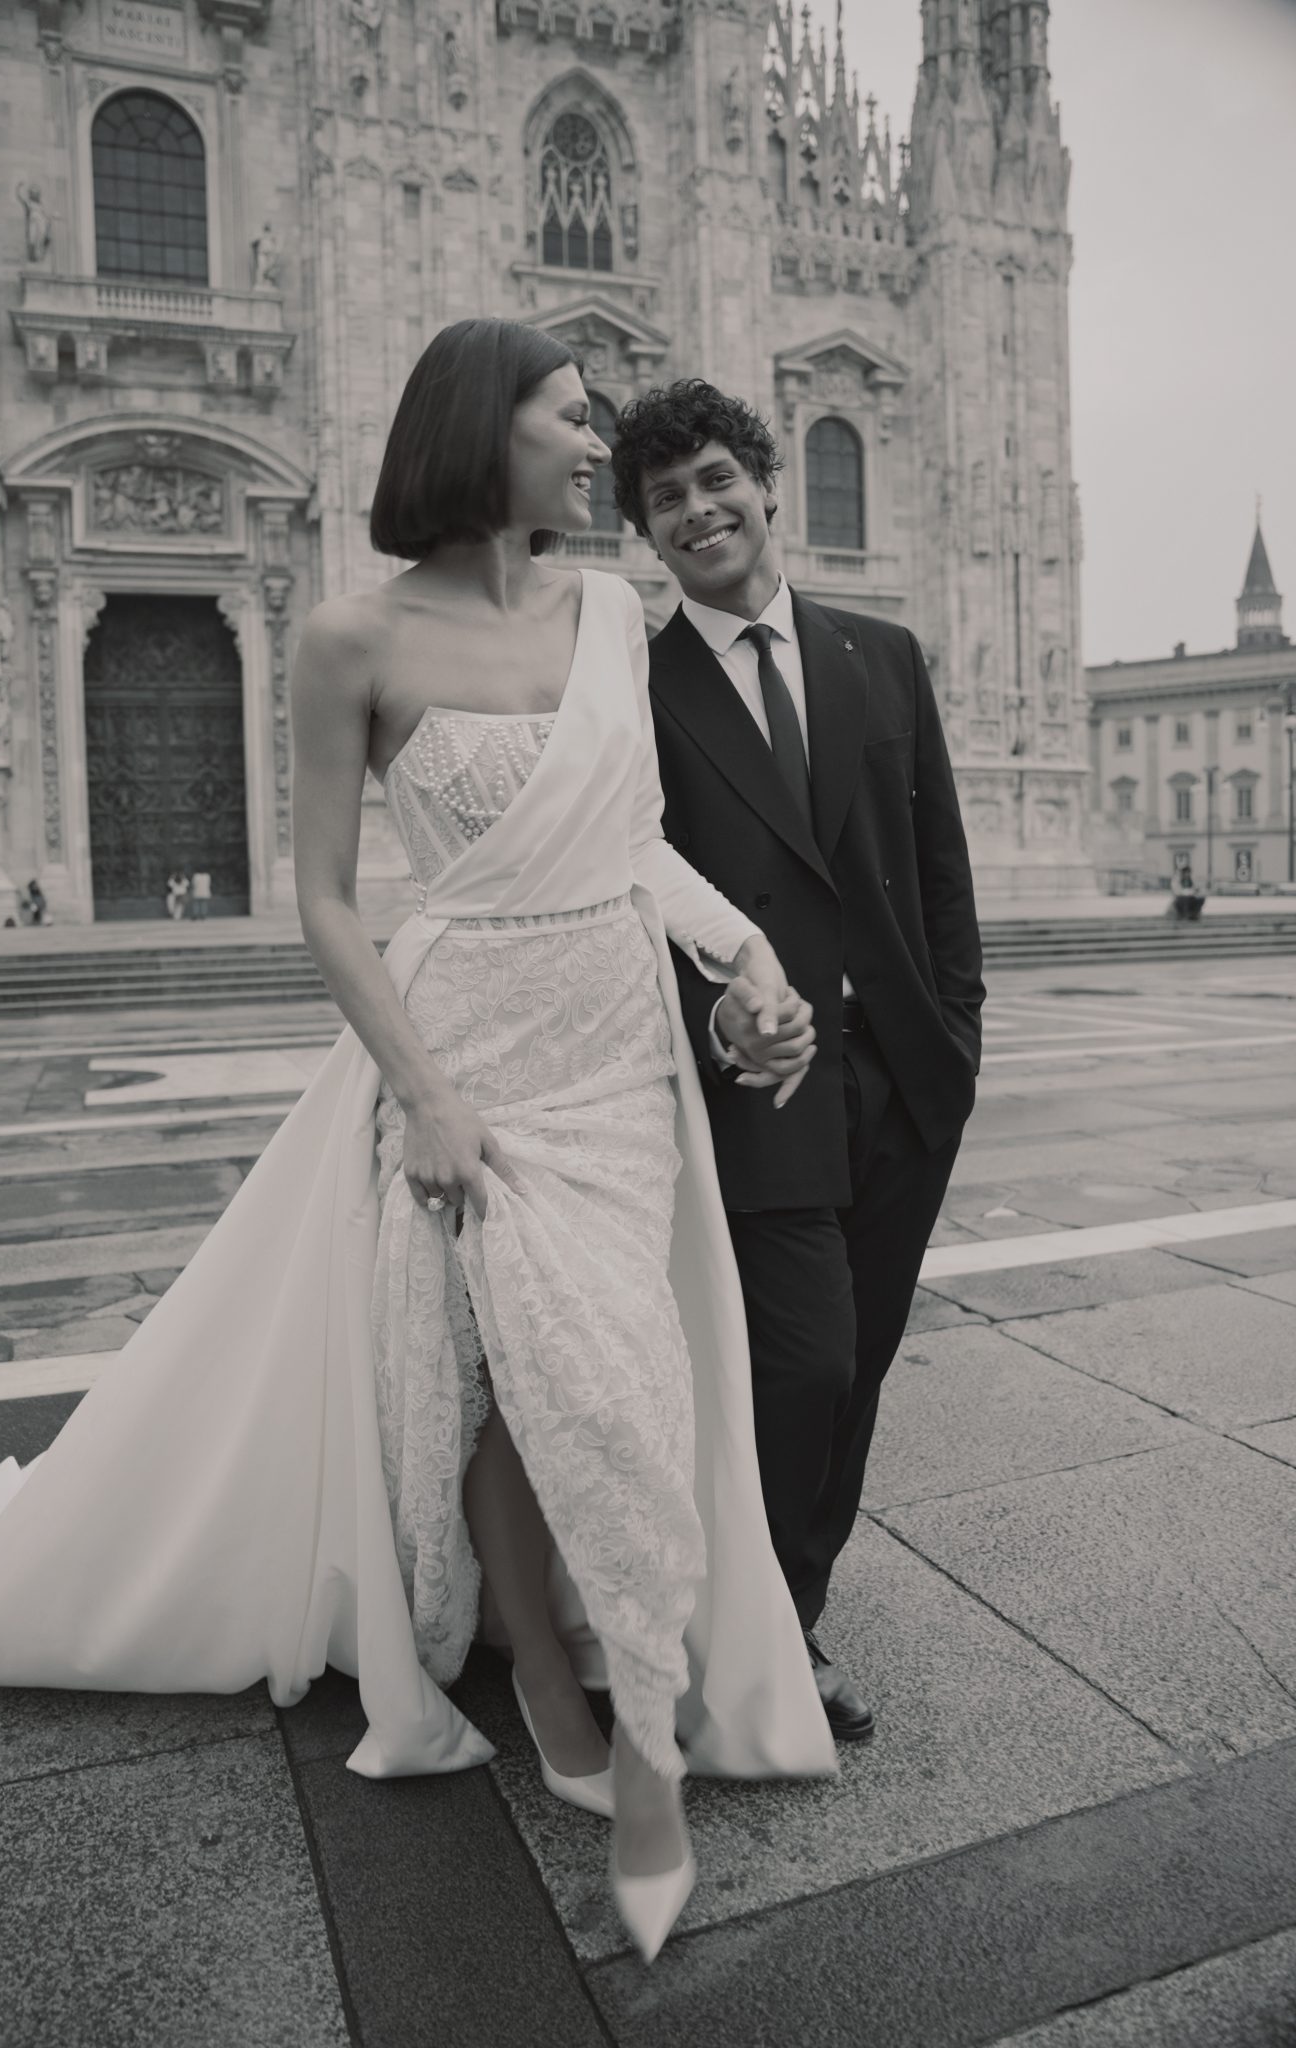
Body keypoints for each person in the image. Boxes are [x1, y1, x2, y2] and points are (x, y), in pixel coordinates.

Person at [0, 322, 835, 1967]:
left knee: (604, 1370)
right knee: (516, 1372)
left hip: (616, 1047)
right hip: (468, 1046)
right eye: (573, 416)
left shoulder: (618, 618)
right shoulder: (351, 636)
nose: (598, 441)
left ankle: (610, 1685)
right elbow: (329, 902)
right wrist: (421, 1090)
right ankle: (609, 1720)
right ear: (482, 432)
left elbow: (634, 845)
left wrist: (745, 956)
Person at [612, 380, 984, 1737]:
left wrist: (956, 1037)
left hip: (901, 1076)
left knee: (860, 1371)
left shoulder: (879, 656)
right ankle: (755, 1626)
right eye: (666, 501)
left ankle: (792, 1625)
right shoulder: (637, 689)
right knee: (806, 1366)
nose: (698, 510)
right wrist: (708, 1011)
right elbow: (631, 880)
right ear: (647, 540)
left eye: (715, 479)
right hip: (756, 1079)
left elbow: (938, 866)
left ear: (765, 484)